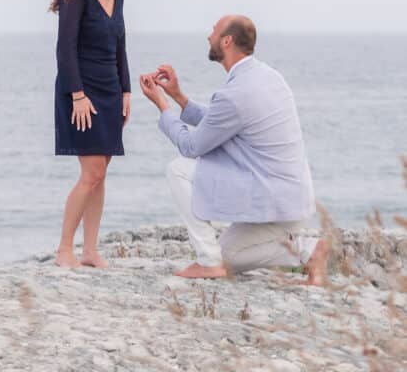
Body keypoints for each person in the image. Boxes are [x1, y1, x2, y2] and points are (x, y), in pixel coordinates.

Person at [139, 15, 329, 285]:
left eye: (213, 30)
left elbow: (191, 146)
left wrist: (162, 105)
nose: (209, 35)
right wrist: (178, 97)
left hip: (273, 201)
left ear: (226, 41)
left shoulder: (236, 93)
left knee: (178, 170)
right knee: (227, 258)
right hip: (291, 203)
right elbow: (223, 120)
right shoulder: (268, 76)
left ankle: (207, 262)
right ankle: (308, 251)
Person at [50, 0, 141, 269]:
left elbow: (120, 45)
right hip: (81, 93)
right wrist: (77, 96)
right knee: (92, 172)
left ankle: (89, 250)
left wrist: (127, 91)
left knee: (101, 173)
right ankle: (64, 250)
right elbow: (65, 50)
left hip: (111, 91)